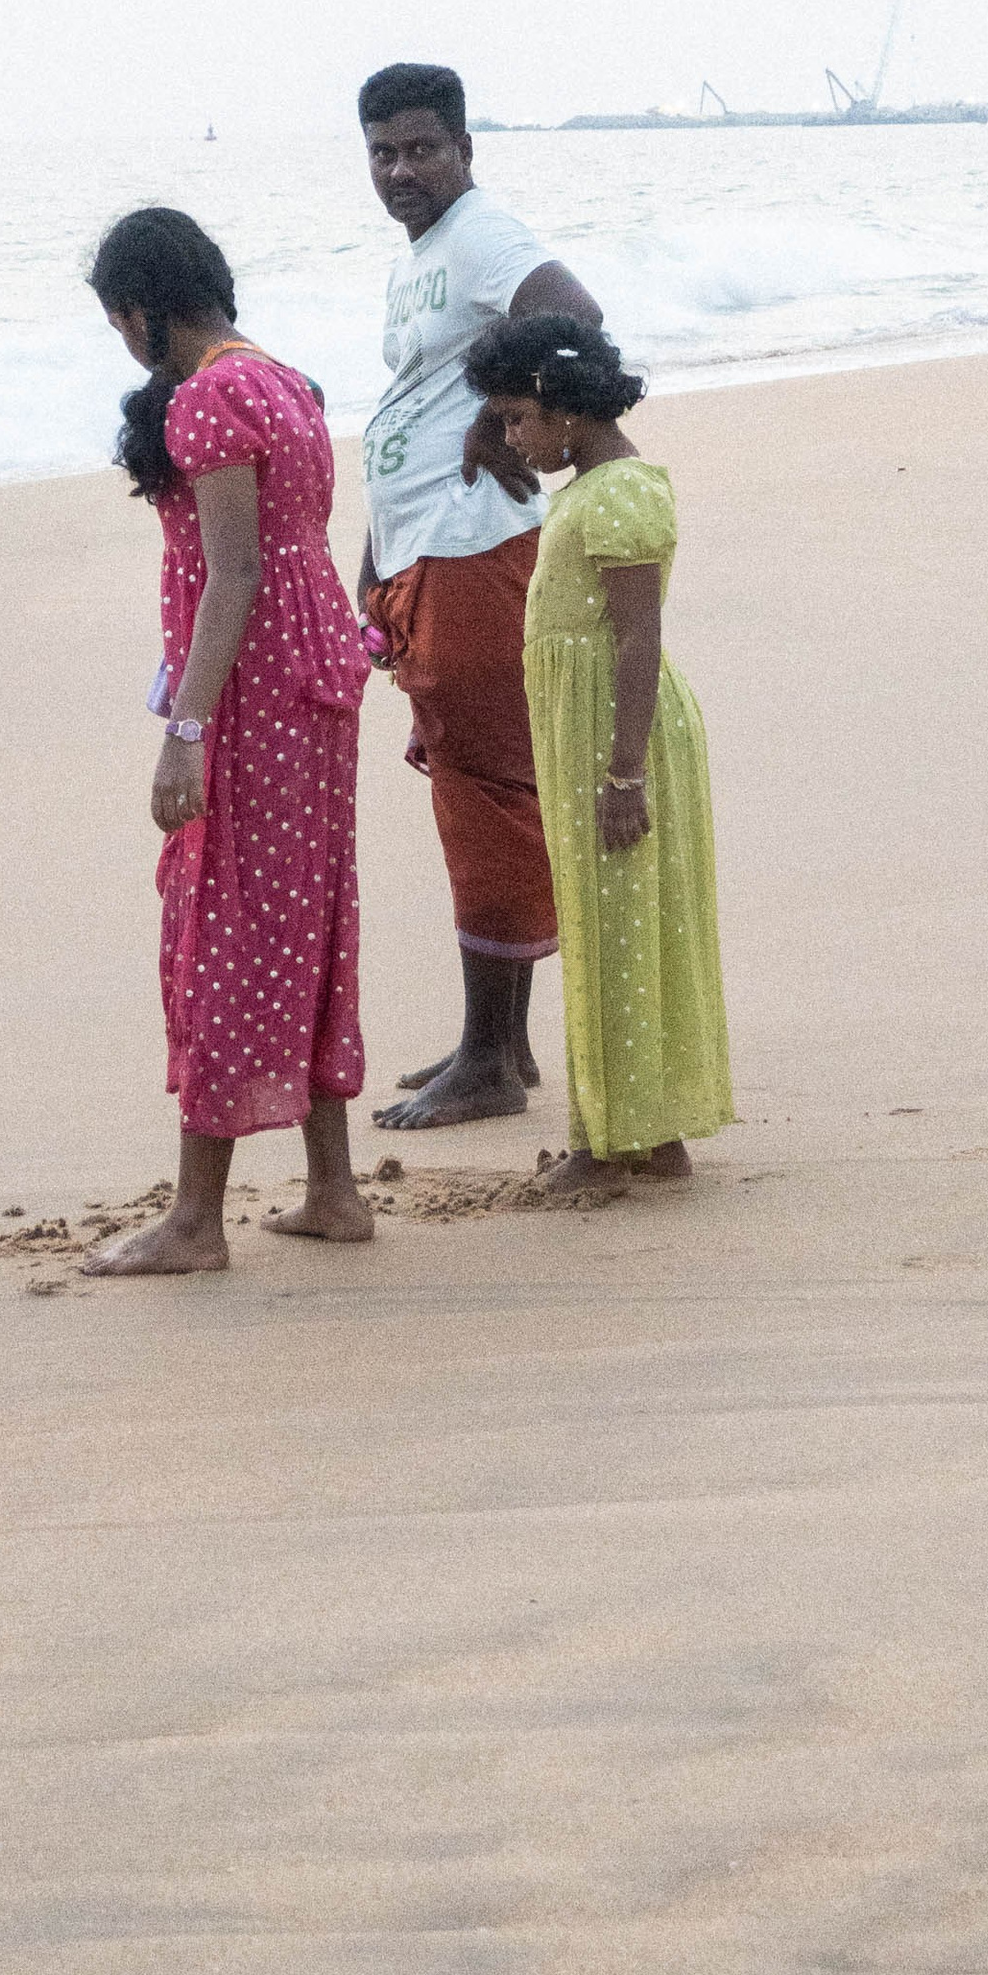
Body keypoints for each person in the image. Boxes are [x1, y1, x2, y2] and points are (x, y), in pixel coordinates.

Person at [81, 205, 378, 1276]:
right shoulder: (285, 382)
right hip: (318, 676)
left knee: (225, 926)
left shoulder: (207, 400)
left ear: (144, 311)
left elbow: (232, 575)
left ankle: (196, 1221)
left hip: (255, 687)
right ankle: (333, 1189)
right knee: (307, 919)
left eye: (118, 320)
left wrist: (184, 730)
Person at [353, 62, 605, 1130]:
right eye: (382, 152)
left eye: (421, 148)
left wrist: (504, 419)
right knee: (467, 782)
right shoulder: (427, 258)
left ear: (463, 149)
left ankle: (494, 1065)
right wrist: (374, 554)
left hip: (478, 548)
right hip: (426, 549)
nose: (402, 170)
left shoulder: (484, 234)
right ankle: (490, 1042)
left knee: (486, 789)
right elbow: (414, 399)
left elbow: (575, 317)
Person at [461, 309, 733, 1198]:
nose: (509, 438)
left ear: (558, 405)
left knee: (618, 931)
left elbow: (636, 638)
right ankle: (644, 1136)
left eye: (514, 419)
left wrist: (623, 773)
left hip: (623, 739)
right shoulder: (585, 486)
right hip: (591, 735)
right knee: (609, 925)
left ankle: (610, 1142)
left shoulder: (619, 492)